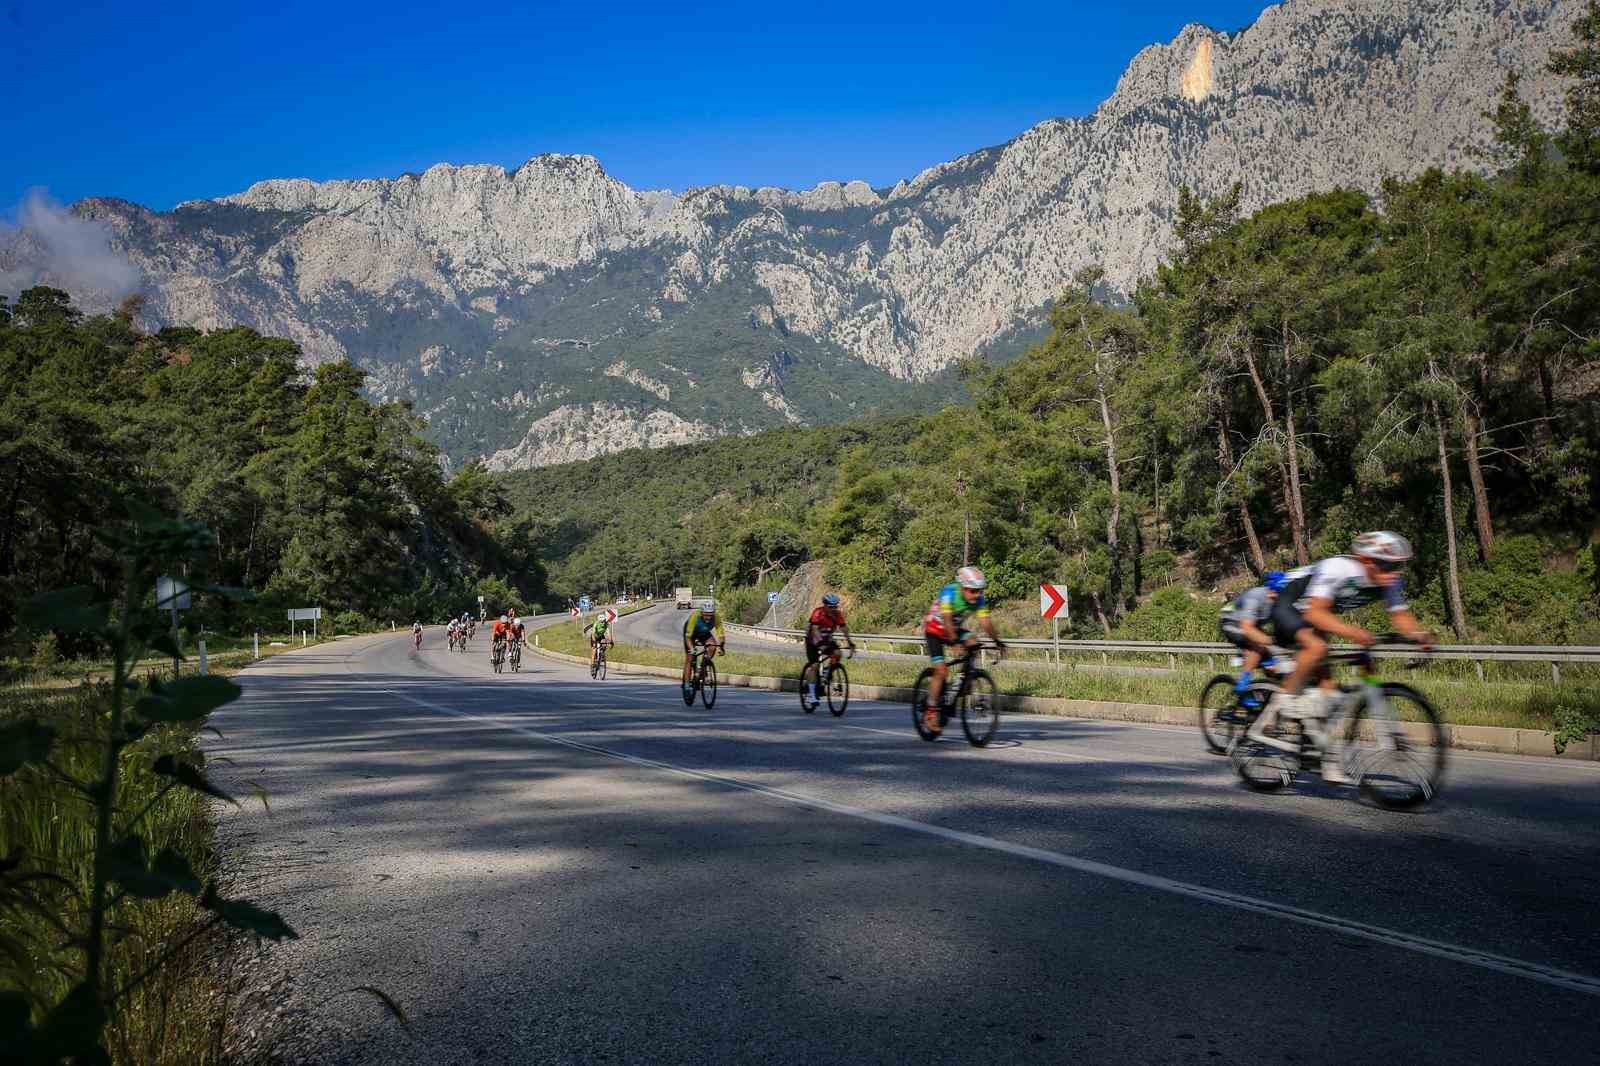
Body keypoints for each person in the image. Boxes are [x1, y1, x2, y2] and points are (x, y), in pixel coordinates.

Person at [1257, 531, 1434, 781]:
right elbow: (1314, 614)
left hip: (1317, 610)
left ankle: (1321, 756)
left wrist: (1419, 635)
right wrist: (1354, 632)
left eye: (1399, 566)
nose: (1393, 572)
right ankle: (1280, 704)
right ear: (1366, 561)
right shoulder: (1339, 568)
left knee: (1329, 689)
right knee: (1317, 649)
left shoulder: (1390, 580)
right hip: (1291, 605)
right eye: (1386, 565)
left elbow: (1400, 616)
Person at [920, 567, 1006, 736]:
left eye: (979, 591)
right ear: (962, 587)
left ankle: (966, 679)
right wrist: (954, 642)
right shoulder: (949, 593)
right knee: (942, 670)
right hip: (935, 630)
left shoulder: (978, 600)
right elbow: (946, 620)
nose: (976, 595)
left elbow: (985, 622)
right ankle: (930, 710)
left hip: (954, 629)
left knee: (974, 643)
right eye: (973, 591)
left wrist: (997, 641)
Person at [1219, 571, 1287, 706]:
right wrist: (1271, 641)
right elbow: (1247, 628)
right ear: (1272, 590)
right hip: (1231, 621)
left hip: (1251, 624)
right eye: (1278, 592)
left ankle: (1267, 699)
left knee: (1273, 667)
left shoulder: (1279, 601)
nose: (1281, 596)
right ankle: (1242, 687)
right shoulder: (1255, 596)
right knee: (1258, 646)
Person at [804, 593, 855, 704]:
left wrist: (850, 643)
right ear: (825, 605)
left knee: (838, 653)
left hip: (827, 638)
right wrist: (820, 644)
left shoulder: (837, 614)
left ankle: (828, 671)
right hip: (812, 640)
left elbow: (844, 628)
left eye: (835, 606)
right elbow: (814, 630)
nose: (833, 609)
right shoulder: (818, 612)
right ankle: (811, 695)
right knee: (815, 665)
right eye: (831, 607)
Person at [681, 601, 725, 696]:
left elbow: (720, 634)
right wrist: (692, 649)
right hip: (691, 633)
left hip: (704, 633)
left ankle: (703, 666)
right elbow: (688, 637)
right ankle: (687, 685)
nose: (708, 618)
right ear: (701, 613)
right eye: (706, 615)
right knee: (690, 657)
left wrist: (721, 647)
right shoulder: (695, 616)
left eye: (710, 615)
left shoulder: (716, 617)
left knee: (713, 646)